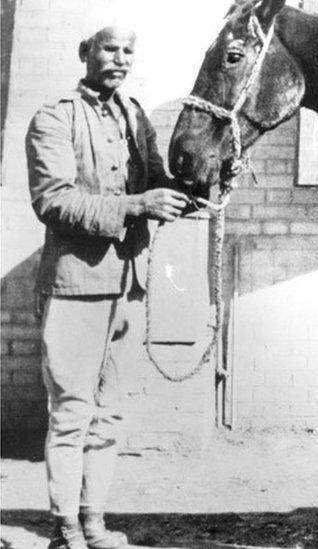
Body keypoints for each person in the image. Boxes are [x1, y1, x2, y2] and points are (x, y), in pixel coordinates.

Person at [26, 24, 190, 549]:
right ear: (85, 54)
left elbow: (159, 181)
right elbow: (54, 199)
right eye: (109, 49)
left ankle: (94, 522)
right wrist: (136, 206)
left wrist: (204, 176)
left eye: (128, 51)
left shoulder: (133, 115)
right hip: (74, 285)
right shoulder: (56, 116)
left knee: (109, 414)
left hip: (127, 285)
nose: (119, 59)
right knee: (72, 412)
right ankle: (64, 528)